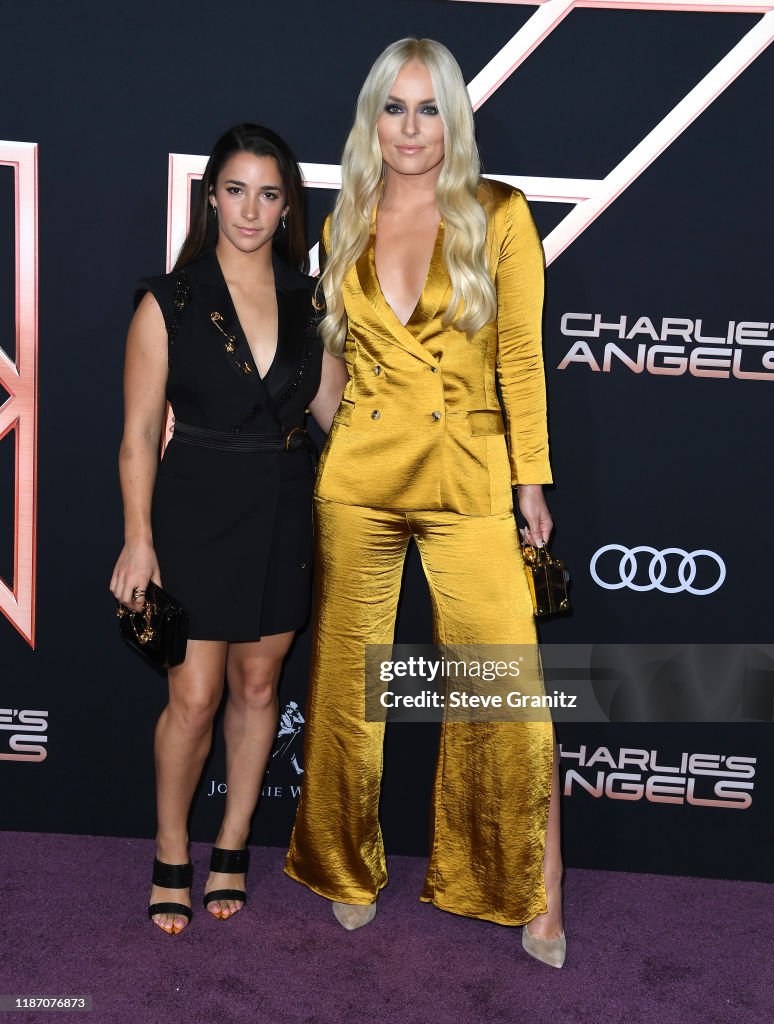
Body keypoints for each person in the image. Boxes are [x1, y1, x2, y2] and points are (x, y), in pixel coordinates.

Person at [284, 40, 566, 967]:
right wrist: (347, 434)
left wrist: (531, 481)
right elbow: (332, 358)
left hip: (469, 471)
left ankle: (533, 888)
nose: (411, 129)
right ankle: (342, 867)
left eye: (429, 108)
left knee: (506, 692)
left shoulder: (498, 214)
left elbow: (520, 358)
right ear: (374, 118)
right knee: (343, 689)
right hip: (361, 477)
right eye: (394, 109)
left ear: (454, 117)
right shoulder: (344, 220)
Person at [110, 123, 346, 935]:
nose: (251, 209)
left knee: (256, 689)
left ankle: (235, 844)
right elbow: (140, 434)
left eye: (269, 193)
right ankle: (172, 849)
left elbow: (340, 419)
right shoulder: (167, 299)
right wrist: (139, 538)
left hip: (284, 505)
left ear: (288, 209)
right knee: (196, 696)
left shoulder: (307, 301)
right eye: (236, 189)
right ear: (211, 196)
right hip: (195, 509)